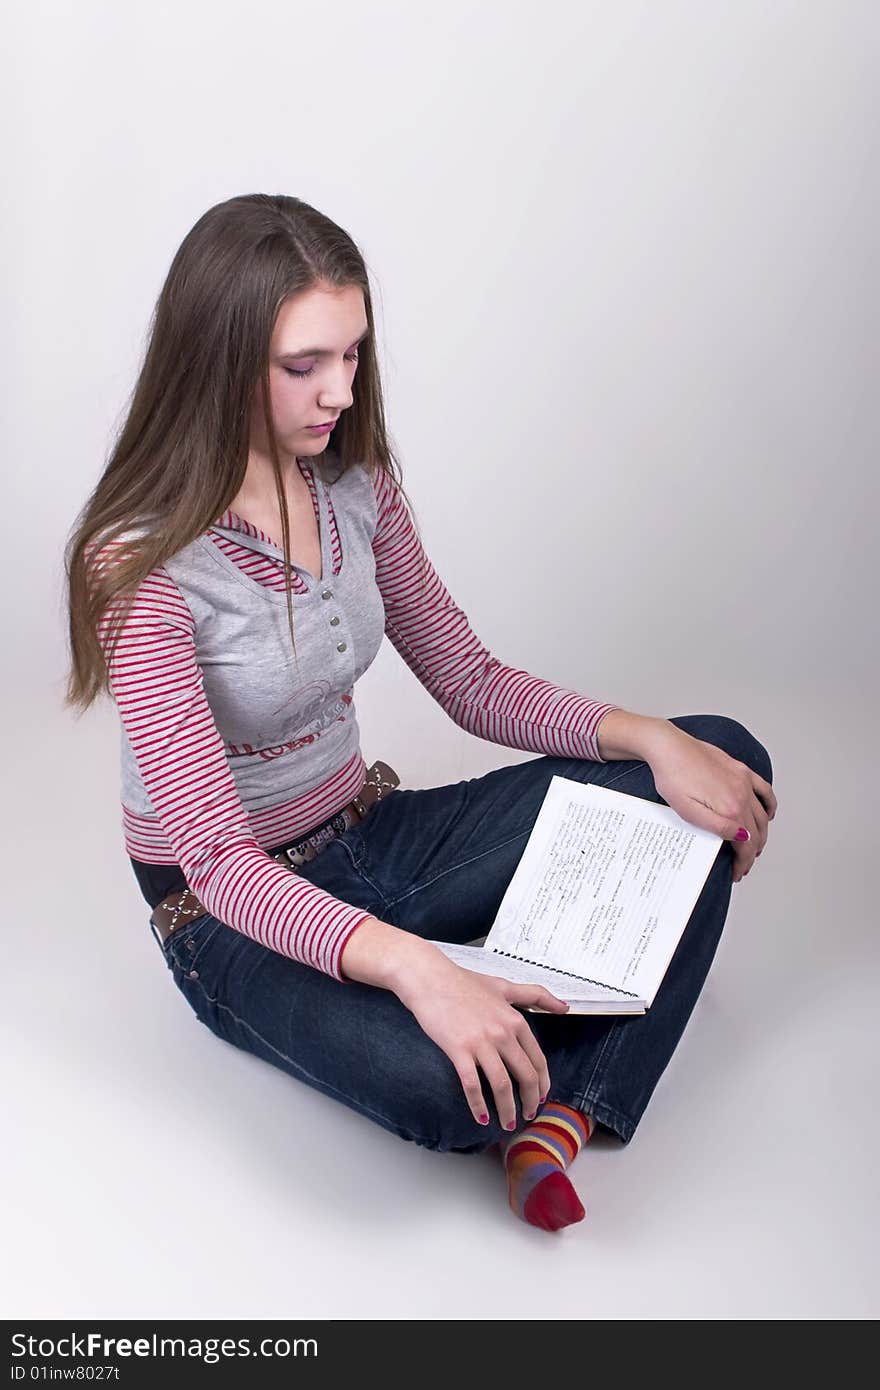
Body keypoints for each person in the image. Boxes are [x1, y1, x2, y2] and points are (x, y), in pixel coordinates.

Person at [63, 193, 777, 1233]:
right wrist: (421, 971)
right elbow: (215, 860)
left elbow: (469, 679)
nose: (340, 392)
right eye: (303, 364)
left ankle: (561, 1111)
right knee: (448, 1092)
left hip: (379, 834)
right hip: (228, 916)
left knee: (716, 758)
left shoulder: (355, 485)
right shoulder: (136, 567)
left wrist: (648, 738)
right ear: (215, 361)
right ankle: (543, 1011)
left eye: (352, 355)